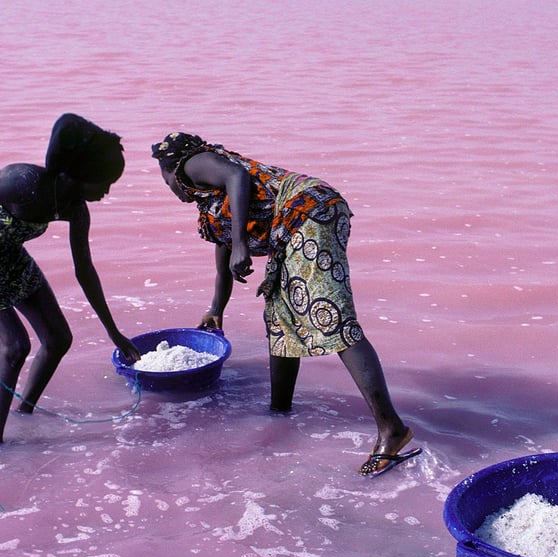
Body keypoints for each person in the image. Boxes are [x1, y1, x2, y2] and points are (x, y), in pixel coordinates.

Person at [151, 132, 420, 477]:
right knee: (280, 318)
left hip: (307, 213)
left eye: (165, 179)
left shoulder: (191, 163)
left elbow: (237, 175)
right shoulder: (211, 204)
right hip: (294, 226)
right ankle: (279, 412)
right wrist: (216, 309)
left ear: (171, 168)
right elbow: (223, 258)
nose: (171, 188)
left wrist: (241, 244)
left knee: (331, 318)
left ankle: (392, 429)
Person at [0, 113, 141, 443]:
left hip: (10, 258)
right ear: (79, 174)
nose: (106, 191)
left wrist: (114, 332)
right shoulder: (21, 182)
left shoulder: (75, 209)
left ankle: (23, 414)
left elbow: (85, 271)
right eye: (103, 182)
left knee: (58, 339)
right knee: (16, 347)